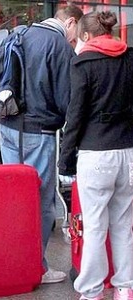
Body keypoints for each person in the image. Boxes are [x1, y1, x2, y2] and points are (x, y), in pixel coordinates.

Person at [0, 4, 83, 284]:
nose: (75, 40)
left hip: (7, 125)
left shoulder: (19, 33)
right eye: (76, 34)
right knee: (41, 202)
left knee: (14, 197)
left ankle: (11, 260)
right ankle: (35, 267)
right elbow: (67, 101)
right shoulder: (58, 46)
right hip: (38, 131)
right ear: (70, 22)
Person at [59, 11, 133, 300]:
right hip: (128, 153)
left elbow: (75, 115)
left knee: (94, 225)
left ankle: (91, 291)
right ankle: (125, 288)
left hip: (96, 153)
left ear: (87, 36)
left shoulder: (83, 63)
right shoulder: (129, 60)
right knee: (124, 224)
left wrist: (66, 159)